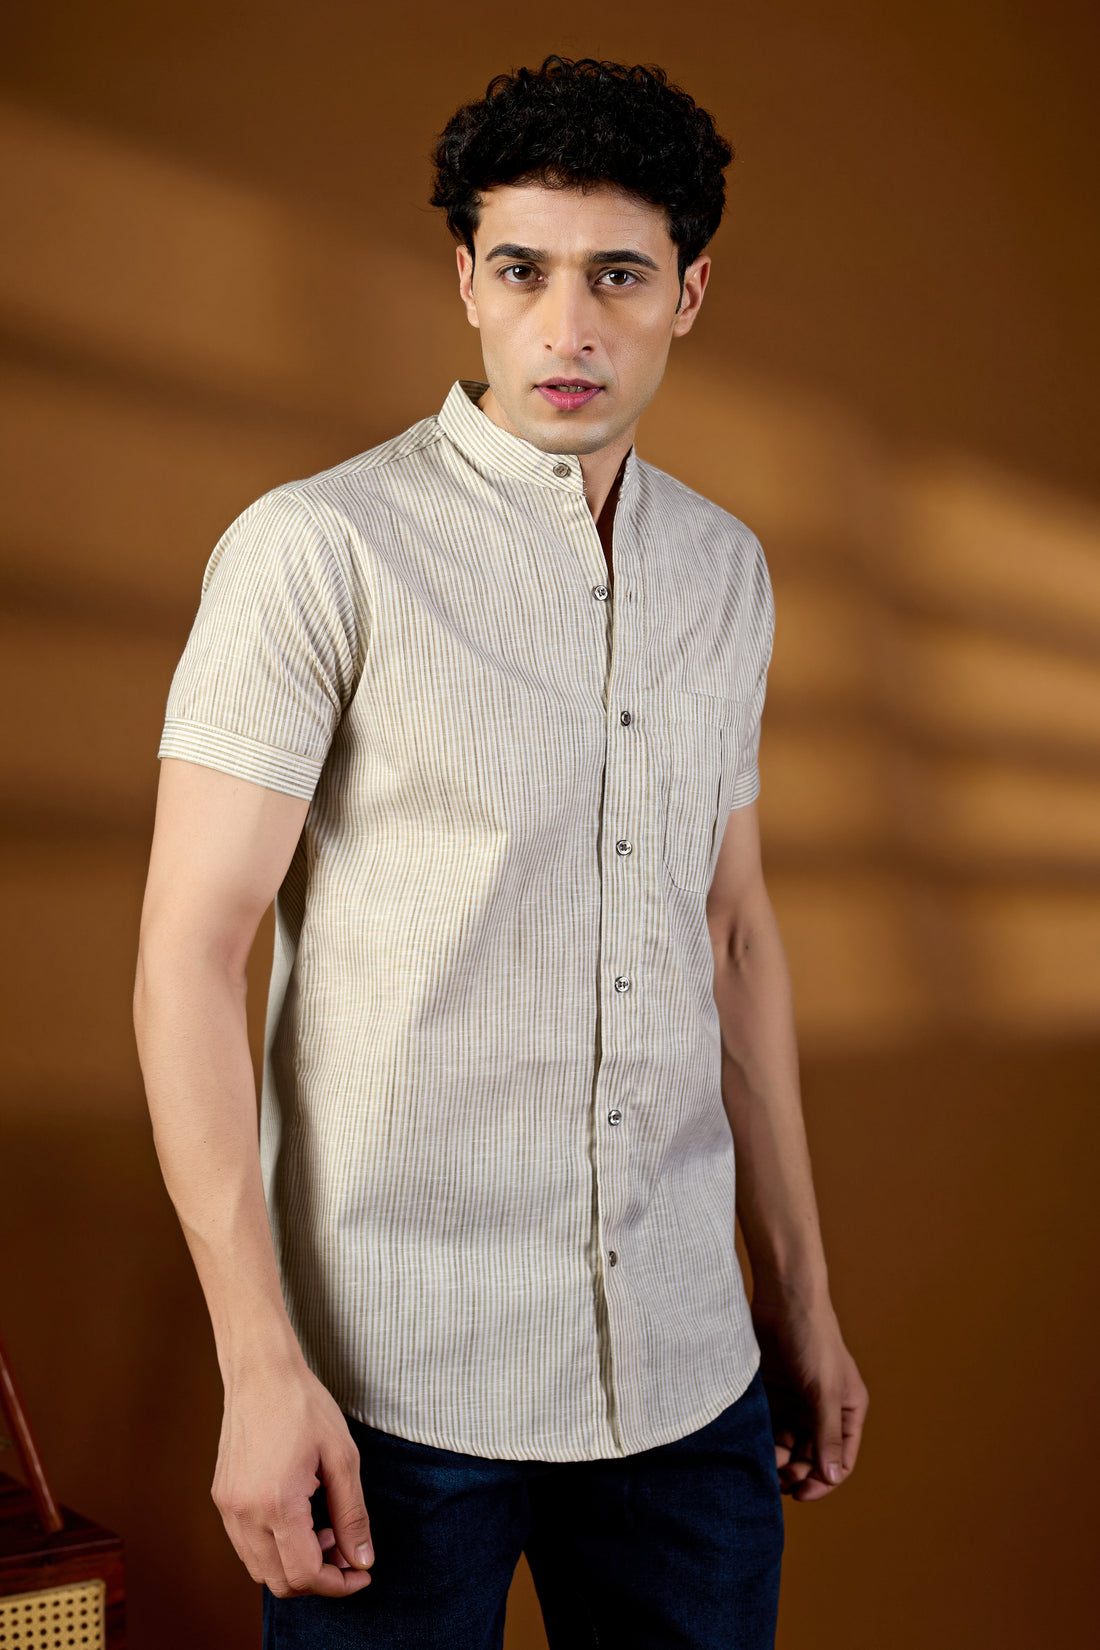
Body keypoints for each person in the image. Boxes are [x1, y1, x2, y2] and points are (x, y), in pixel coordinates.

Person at [133, 53, 868, 1649]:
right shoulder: (317, 551)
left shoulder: (726, 572)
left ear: (690, 293)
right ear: (465, 278)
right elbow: (190, 951)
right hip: (394, 1389)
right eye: (524, 271)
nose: (569, 327)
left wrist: (802, 1300)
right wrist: (258, 1361)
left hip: (689, 1381)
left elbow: (733, 932)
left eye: (620, 275)